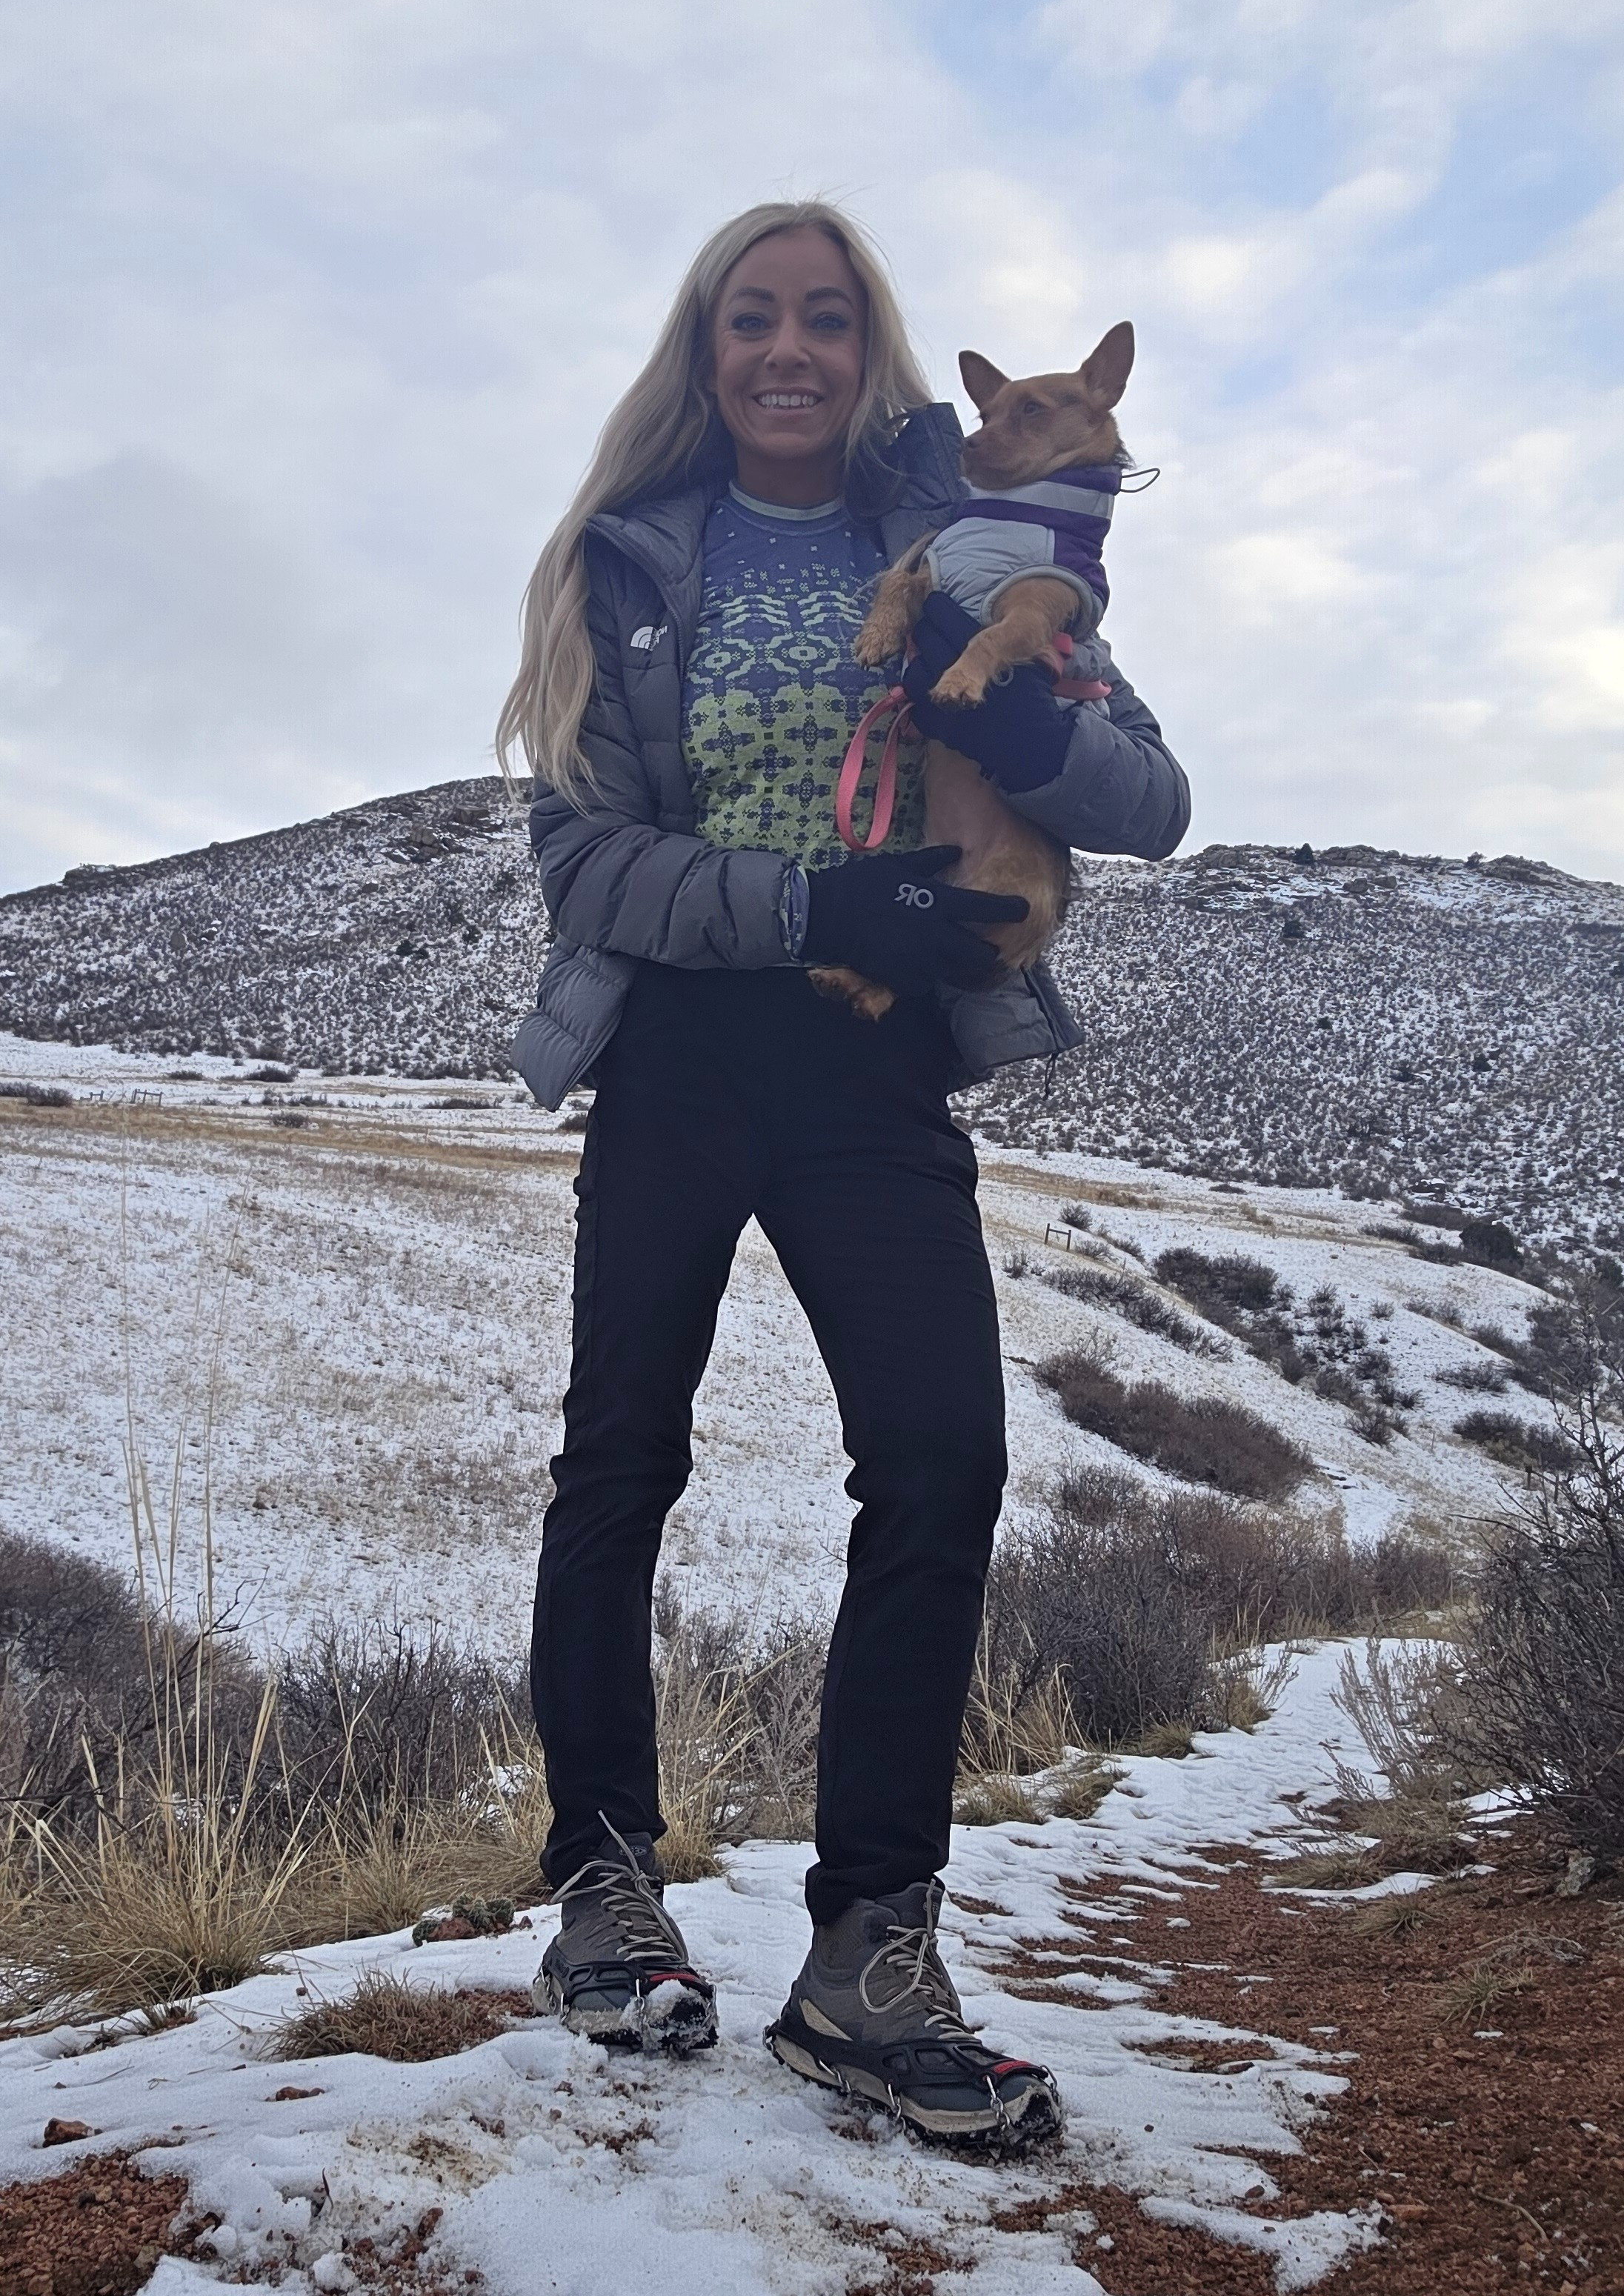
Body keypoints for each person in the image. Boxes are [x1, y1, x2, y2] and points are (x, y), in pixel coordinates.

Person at [497, 201, 1189, 2150]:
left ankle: (869, 1953)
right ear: (704, 352)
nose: (786, 350)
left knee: (945, 1462)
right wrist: (814, 889)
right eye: (750, 321)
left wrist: (1038, 718)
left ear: (863, 345)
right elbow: (588, 863)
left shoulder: (978, 537)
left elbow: (1152, 798)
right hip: (680, 1049)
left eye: (822, 319)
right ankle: (608, 1893)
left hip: (879, 1058)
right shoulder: (628, 558)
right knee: (623, 1454)